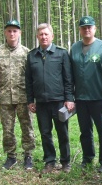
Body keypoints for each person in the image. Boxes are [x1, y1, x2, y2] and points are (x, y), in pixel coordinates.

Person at [25, 23, 74, 174]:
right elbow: (28, 80)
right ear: (37, 37)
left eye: (46, 34)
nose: (44, 37)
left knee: (62, 132)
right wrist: (30, 100)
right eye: (41, 34)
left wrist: (69, 98)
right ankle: (49, 161)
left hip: (59, 101)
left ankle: (65, 161)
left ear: (52, 36)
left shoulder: (61, 53)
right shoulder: (32, 55)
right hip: (41, 102)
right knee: (45, 132)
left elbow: (68, 78)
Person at [0, 20, 35, 170]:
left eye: (15, 31)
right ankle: (11, 156)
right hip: (4, 97)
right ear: (5, 32)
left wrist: (32, 97)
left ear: (19, 33)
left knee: (27, 126)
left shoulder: (26, 52)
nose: (12, 33)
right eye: (9, 30)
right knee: (7, 128)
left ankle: (28, 155)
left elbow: (31, 76)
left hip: (23, 96)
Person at [70, 16, 102, 172]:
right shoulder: (74, 48)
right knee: (85, 130)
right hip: (80, 97)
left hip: (98, 96)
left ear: (94, 29)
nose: (86, 29)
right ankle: (87, 158)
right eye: (83, 27)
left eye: (89, 27)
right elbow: (70, 74)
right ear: (80, 30)